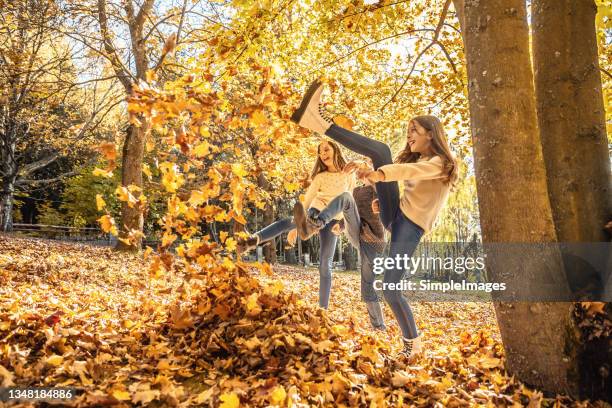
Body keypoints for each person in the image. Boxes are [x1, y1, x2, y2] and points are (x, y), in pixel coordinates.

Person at [290, 80, 458, 361]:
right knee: (380, 151)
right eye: (407, 132)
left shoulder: (439, 163)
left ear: (432, 134)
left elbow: (406, 171)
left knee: (391, 289)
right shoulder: (421, 161)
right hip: (399, 217)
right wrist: (379, 188)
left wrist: (380, 176)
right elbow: (407, 181)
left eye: (414, 131)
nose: (409, 137)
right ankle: (318, 124)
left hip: (410, 228)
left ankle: (412, 344)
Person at [236, 140, 356, 309]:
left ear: (336, 150)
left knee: (325, 263)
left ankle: (323, 309)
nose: (323, 154)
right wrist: (297, 225)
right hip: (316, 212)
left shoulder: (349, 175)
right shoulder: (320, 177)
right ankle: (253, 240)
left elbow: (350, 200)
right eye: (320, 152)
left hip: (334, 220)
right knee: (288, 222)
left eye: (326, 150)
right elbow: (306, 201)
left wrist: (343, 224)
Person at [292, 165, 388, 331]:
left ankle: (379, 327)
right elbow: (352, 213)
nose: (359, 173)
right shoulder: (357, 191)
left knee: (367, 288)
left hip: (373, 243)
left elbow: (385, 195)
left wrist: (372, 177)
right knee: (345, 197)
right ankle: (315, 224)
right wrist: (341, 225)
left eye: (363, 168)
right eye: (358, 171)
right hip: (358, 234)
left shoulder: (379, 188)